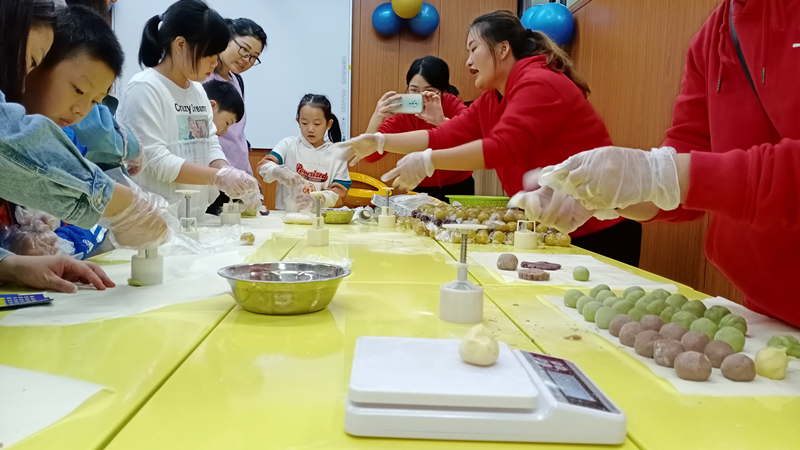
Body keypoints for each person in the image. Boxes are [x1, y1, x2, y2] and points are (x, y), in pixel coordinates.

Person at [525, 0, 800, 327]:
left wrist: (658, 174)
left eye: (474, 48)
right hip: (766, 309)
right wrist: (614, 193)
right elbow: (689, 167)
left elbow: (685, 176)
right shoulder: (715, 34)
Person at [340, 11, 641, 266]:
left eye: (473, 49)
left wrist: (428, 161)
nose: (468, 61)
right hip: (555, 229)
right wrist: (379, 141)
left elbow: (503, 148)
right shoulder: (492, 99)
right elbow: (446, 134)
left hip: (600, 231)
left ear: (502, 49)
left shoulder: (540, 82)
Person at [0, 0, 165, 292]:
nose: (81, 112)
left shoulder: (59, 139)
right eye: (30, 63)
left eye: (95, 102)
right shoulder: (31, 141)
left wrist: (10, 265)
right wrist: (118, 203)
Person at [117, 0, 260, 219]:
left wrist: (229, 172)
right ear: (181, 45)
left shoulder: (198, 91)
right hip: (155, 218)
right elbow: (155, 160)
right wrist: (218, 177)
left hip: (193, 215)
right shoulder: (145, 87)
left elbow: (210, 144)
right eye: (210, 55)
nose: (215, 63)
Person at [15, 4, 126, 259]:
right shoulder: (9, 138)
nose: (81, 111)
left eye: (94, 102)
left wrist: (60, 243)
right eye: (78, 90)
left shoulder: (68, 142)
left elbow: (90, 226)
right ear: (36, 63)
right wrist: (11, 248)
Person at [363, 56, 472, 202]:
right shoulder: (404, 114)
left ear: (443, 91)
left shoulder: (451, 104)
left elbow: (472, 138)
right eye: (414, 90)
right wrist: (377, 116)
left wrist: (442, 121)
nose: (420, 97)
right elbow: (370, 155)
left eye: (429, 91)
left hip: (458, 185)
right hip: (419, 186)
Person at [204, 18, 267, 215]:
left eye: (254, 57)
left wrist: (248, 176)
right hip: (213, 176)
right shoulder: (202, 77)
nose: (246, 60)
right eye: (244, 50)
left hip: (237, 178)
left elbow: (238, 135)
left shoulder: (237, 81)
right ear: (227, 38)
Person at [257, 94, 351, 211]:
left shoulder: (337, 154)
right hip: (286, 218)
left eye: (317, 124)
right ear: (298, 121)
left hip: (319, 220)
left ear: (328, 124)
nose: (310, 129)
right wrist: (278, 172)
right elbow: (262, 167)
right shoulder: (288, 144)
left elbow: (341, 192)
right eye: (304, 123)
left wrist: (321, 199)